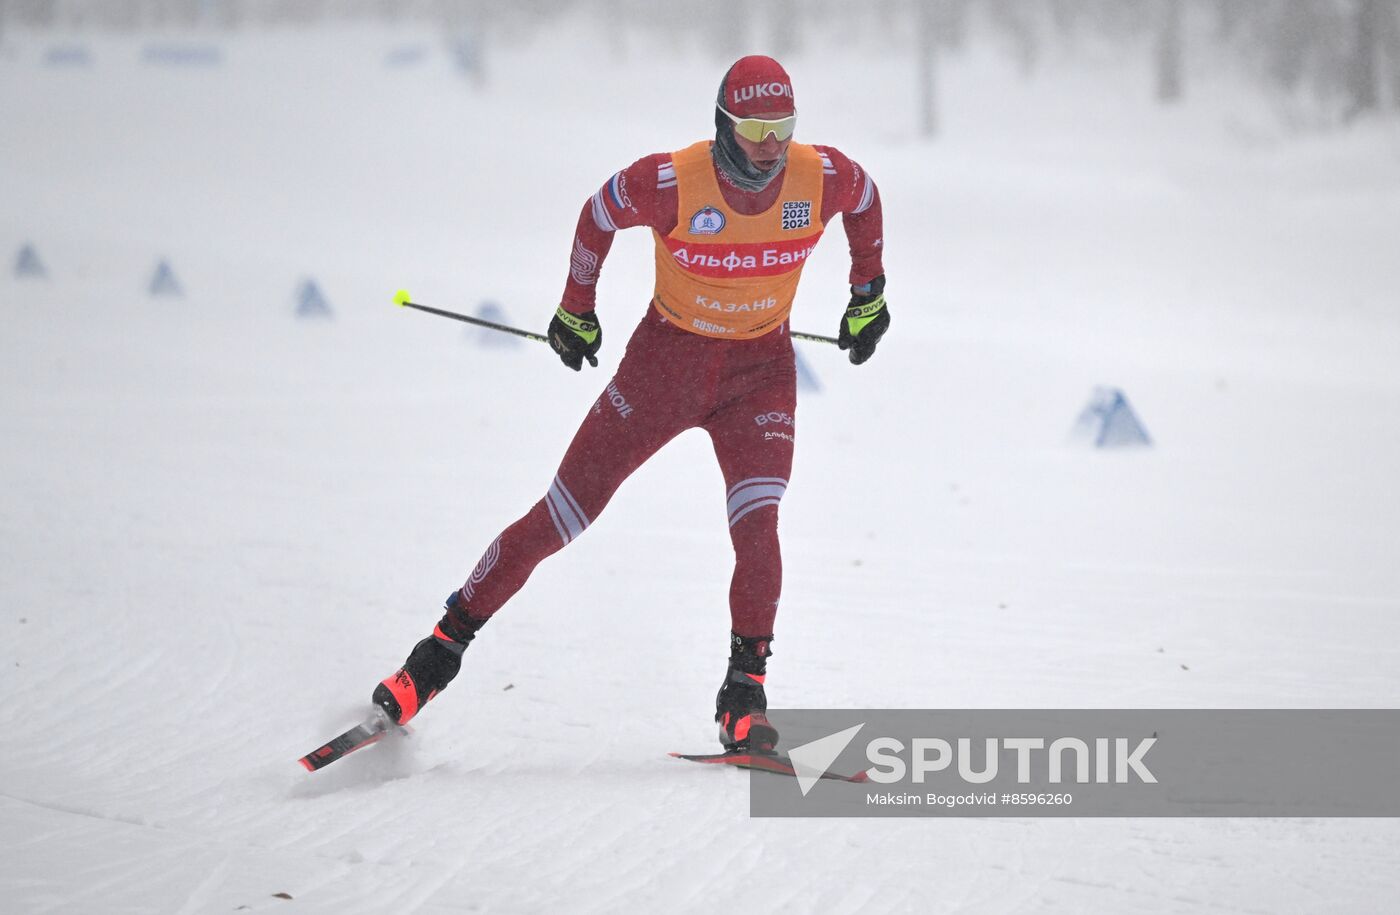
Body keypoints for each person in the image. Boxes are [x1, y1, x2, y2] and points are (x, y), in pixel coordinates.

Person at [372, 55, 888, 754]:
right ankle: (433, 656)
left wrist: (869, 294)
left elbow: (865, 199)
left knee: (758, 526)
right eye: (755, 128)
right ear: (724, 125)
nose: (770, 145)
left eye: (783, 128)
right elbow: (597, 215)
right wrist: (574, 311)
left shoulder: (819, 175)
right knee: (560, 517)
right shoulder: (672, 181)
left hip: (759, 374)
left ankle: (745, 696)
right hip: (663, 368)